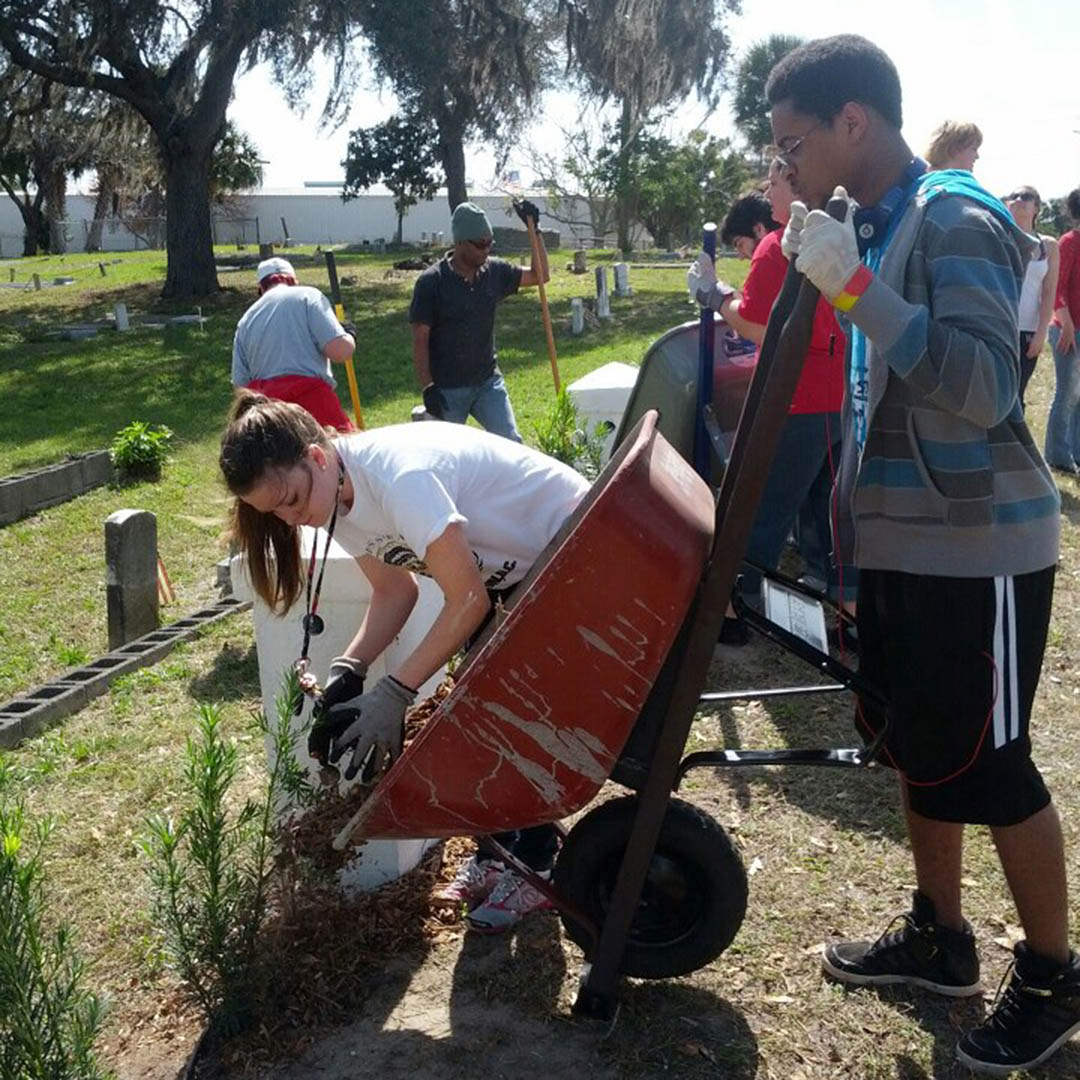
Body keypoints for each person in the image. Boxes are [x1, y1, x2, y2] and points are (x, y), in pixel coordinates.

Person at [766, 34, 1077, 1075]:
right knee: (917, 747)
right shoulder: (875, 218)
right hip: (904, 547)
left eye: (794, 142)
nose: (786, 164)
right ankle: (941, 936)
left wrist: (856, 290)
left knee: (993, 766)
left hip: (978, 547)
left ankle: (1052, 973)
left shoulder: (956, 217)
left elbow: (987, 389)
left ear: (855, 120)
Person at [220, 390, 588, 932]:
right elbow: (396, 592)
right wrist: (350, 670)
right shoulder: (334, 498)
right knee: (468, 719)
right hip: (521, 579)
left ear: (317, 456)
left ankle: (534, 864)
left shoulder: (399, 478)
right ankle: (498, 855)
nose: (291, 517)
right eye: (274, 511)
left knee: (504, 713)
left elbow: (468, 600)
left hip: (579, 555)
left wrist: (396, 690)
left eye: (292, 500)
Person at [687, 181, 850, 626]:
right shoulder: (825, 238)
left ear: (757, 227)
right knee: (823, 502)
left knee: (762, 505)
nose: (743, 254)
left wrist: (717, 296)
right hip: (836, 391)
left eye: (741, 243)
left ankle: (737, 607)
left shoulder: (774, 247)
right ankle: (836, 596)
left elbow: (760, 328)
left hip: (793, 393)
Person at [408, 200, 550, 442]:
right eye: (480, 244)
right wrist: (428, 387)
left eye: (489, 243)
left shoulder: (494, 272)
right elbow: (420, 340)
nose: (486, 250)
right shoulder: (432, 282)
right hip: (447, 389)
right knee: (448, 455)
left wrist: (534, 231)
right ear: (460, 242)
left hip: (487, 382)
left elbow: (540, 275)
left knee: (512, 444)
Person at [232, 257, 357, 430]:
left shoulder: (245, 321)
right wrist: (348, 334)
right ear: (294, 281)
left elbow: (241, 386)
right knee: (339, 454)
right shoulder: (308, 296)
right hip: (314, 408)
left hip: (269, 417)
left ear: (260, 288)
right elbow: (340, 352)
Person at [1004, 186, 1060, 411]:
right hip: (1000, 326)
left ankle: (1015, 445)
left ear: (1037, 207)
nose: (1019, 200)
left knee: (1018, 394)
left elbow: (1049, 293)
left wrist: (1040, 334)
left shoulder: (1048, 245)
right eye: (1014, 196)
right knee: (998, 393)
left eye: (1026, 196)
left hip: (1028, 330)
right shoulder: (998, 237)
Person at [1044, 188, 1080, 474]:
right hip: (1067, 329)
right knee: (1066, 392)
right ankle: (1057, 455)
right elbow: (1056, 288)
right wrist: (1066, 324)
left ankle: (1076, 451)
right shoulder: (1068, 242)